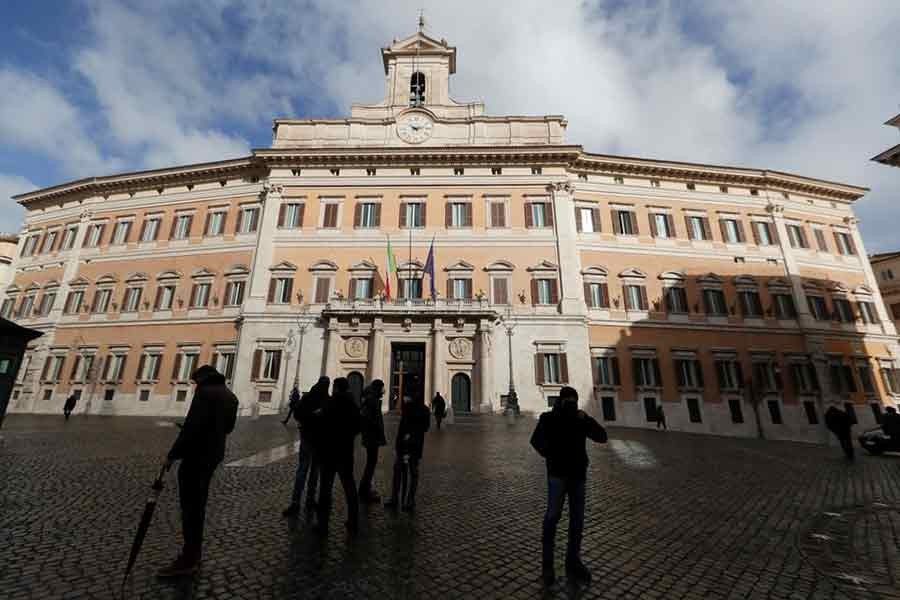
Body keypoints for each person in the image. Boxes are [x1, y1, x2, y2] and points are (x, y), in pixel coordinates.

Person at [158, 365, 238, 577]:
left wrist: (172, 455)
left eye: (195, 382)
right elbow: (229, 428)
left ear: (201, 379)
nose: (194, 387)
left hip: (196, 455)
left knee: (190, 507)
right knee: (199, 504)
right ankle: (195, 554)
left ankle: (189, 557)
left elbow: (193, 428)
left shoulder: (205, 393)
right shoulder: (231, 396)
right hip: (213, 455)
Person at [530, 386, 608, 586]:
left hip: (577, 476)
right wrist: (550, 455)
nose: (571, 404)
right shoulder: (549, 418)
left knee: (577, 521)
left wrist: (586, 418)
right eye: (568, 400)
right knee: (552, 517)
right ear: (560, 401)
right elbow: (536, 440)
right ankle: (548, 566)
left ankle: (573, 561)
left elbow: (602, 436)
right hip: (557, 475)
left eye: (574, 400)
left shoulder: (579, 419)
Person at [316, 377, 361, 533]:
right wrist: (347, 436)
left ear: (335, 388)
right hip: (345, 451)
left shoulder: (330, 403)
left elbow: (320, 423)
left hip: (328, 451)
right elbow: (358, 425)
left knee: (325, 489)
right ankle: (354, 520)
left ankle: (322, 523)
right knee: (349, 487)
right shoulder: (352, 404)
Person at [282, 377, 328, 517]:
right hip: (318, 440)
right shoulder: (327, 399)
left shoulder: (308, 397)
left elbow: (297, 413)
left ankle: (296, 502)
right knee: (313, 471)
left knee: (304, 470)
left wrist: (305, 422)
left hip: (308, 438)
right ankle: (309, 499)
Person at [385, 394, 431, 511]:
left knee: (401, 472)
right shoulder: (423, 410)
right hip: (412, 445)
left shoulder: (410, 408)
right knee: (410, 472)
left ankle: (398, 498)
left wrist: (407, 436)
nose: (406, 398)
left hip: (407, 445)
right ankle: (408, 500)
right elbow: (425, 427)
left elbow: (404, 427)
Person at [358, 379, 387, 503]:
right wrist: (376, 430)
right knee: (371, 463)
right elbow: (369, 419)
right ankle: (365, 489)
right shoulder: (372, 400)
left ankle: (365, 487)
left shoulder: (371, 399)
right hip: (372, 437)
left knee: (371, 463)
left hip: (371, 436)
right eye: (382, 388)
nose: (383, 391)